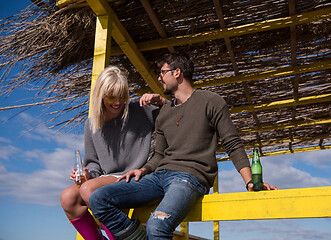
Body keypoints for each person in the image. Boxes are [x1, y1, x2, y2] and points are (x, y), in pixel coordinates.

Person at [89, 52, 278, 240]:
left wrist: (250, 181)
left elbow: (233, 144)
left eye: (162, 73)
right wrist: (143, 169)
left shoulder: (211, 101)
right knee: (99, 199)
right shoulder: (165, 113)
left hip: (190, 177)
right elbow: (159, 154)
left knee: (157, 226)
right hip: (158, 177)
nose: (159, 77)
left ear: (177, 72)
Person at [60, 66, 164, 240]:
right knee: (68, 197)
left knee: (88, 190)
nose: (118, 102)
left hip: (134, 176)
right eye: (112, 97)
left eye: (122, 96)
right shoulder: (91, 124)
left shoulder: (140, 111)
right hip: (107, 178)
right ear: (100, 95)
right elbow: (93, 163)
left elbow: (174, 112)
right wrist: (87, 174)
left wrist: (160, 100)